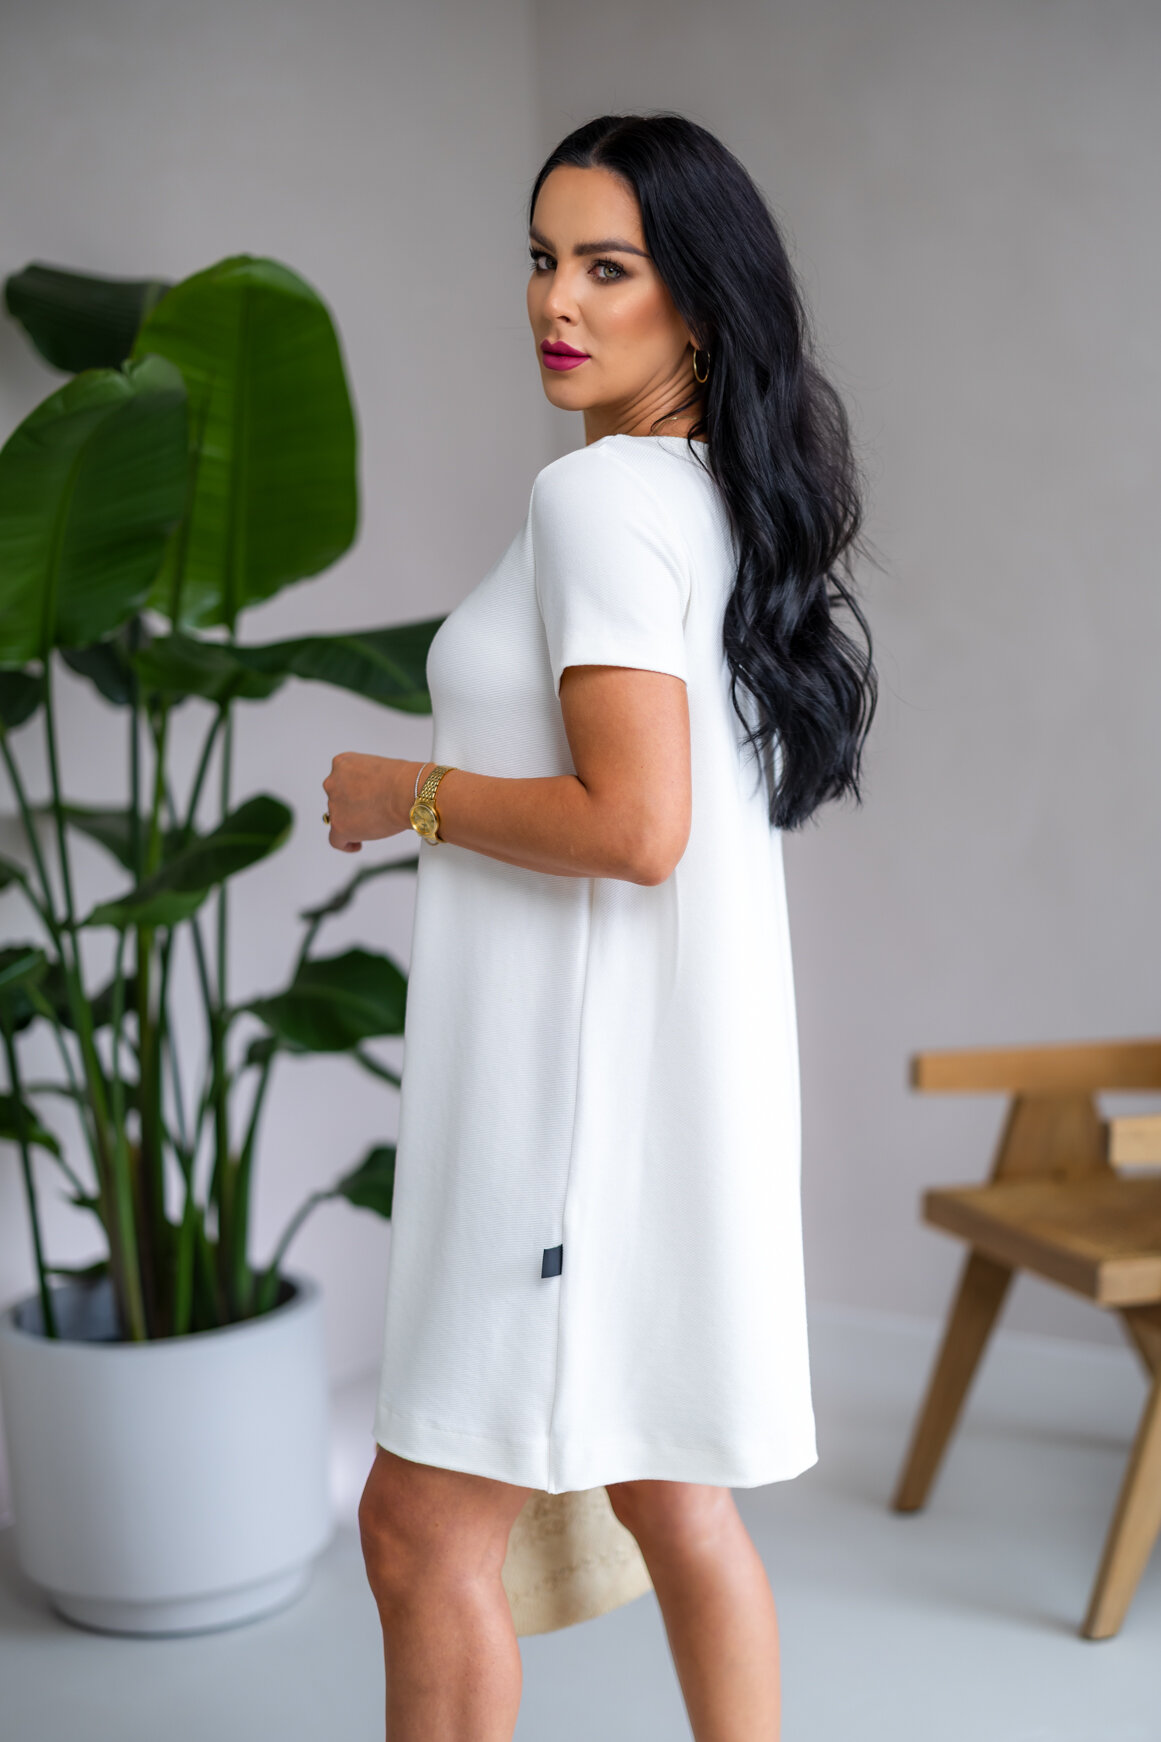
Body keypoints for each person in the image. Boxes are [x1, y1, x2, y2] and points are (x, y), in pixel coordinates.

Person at [322, 111, 876, 1742]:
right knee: (673, 1500)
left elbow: (636, 828)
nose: (555, 300)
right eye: (542, 258)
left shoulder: (603, 500)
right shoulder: (715, 496)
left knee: (419, 1529)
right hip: (649, 1109)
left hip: (559, 1132)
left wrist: (406, 793)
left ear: (695, 300)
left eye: (607, 267)